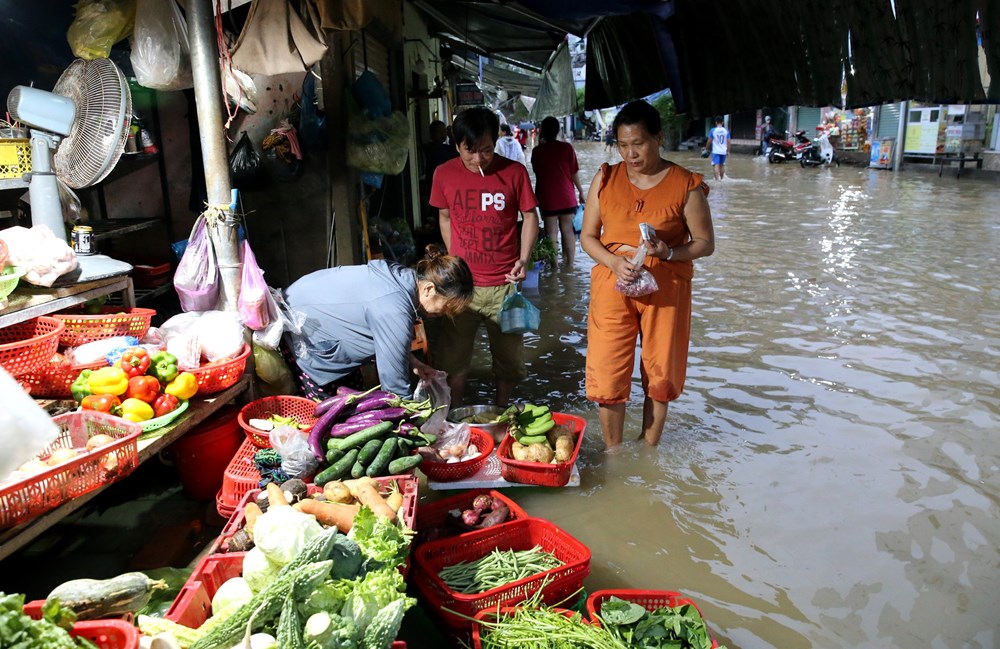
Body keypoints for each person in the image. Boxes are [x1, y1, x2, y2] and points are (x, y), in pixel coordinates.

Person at [580, 100, 715, 451]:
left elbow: (704, 243)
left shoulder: (687, 185)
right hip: (613, 282)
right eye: (623, 145)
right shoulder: (605, 178)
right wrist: (612, 262)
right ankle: (614, 453)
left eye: (638, 143)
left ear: (658, 137)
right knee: (608, 370)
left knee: (660, 371)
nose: (630, 154)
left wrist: (668, 252)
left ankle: (647, 449)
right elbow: (588, 236)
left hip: (666, 287)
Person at [429, 106, 540, 407]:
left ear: (496, 142)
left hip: (505, 286)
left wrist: (523, 259)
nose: (479, 159)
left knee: (509, 361)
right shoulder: (444, 173)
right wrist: (454, 261)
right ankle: (452, 416)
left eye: (486, 150)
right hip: (462, 288)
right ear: (456, 145)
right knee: (453, 360)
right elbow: (445, 217)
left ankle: (502, 412)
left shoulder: (514, 172)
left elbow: (530, 217)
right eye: (470, 151)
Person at [283, 245, 473, 400]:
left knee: (353, 400)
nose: (444, 314)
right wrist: (415, 429)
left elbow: (387, 337)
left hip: (316, 318)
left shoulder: (404, 279)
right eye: (447, 307)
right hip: (306, 333)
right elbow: (394, 387)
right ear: (429, 289)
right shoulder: (394, 308)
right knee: (331, 422)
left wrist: (413, 361)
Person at [531, 116, 586, 265]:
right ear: (557, 130)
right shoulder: (566, 148)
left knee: (551, 234)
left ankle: (554, 268)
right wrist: (581, 192)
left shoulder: (537, 151)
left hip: (548, 198)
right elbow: (574, 172)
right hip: (567, 197)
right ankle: (569, 267)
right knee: (568, 231)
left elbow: (539, 174)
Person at [707, 116, 729, 180]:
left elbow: (709, 141)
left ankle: (717, 180)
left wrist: (706, 149)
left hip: (716, 151)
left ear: (716, 122)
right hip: (723, 151)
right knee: (722, 165)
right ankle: (722, 179)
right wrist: (728, 151)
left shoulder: (713, 130)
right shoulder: (726, 131)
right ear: (723, 122)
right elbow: (729, 141)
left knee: (716, 165)